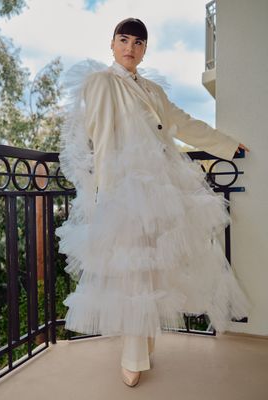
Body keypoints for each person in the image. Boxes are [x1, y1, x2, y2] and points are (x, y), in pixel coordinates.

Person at [55, 17, 252, 387]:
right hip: (125, 191)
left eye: (138, 43)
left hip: (160, 190)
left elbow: (183, 122)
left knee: (154, 272)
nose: (130, 47)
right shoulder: (102, 83)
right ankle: (132, 357)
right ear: (112, 44)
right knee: (133, 275)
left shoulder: (152, 91)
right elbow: (98, 136)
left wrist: (226, 145)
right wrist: (106, 194)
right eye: (124, 40)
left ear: (144, 51)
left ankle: (144, 342)